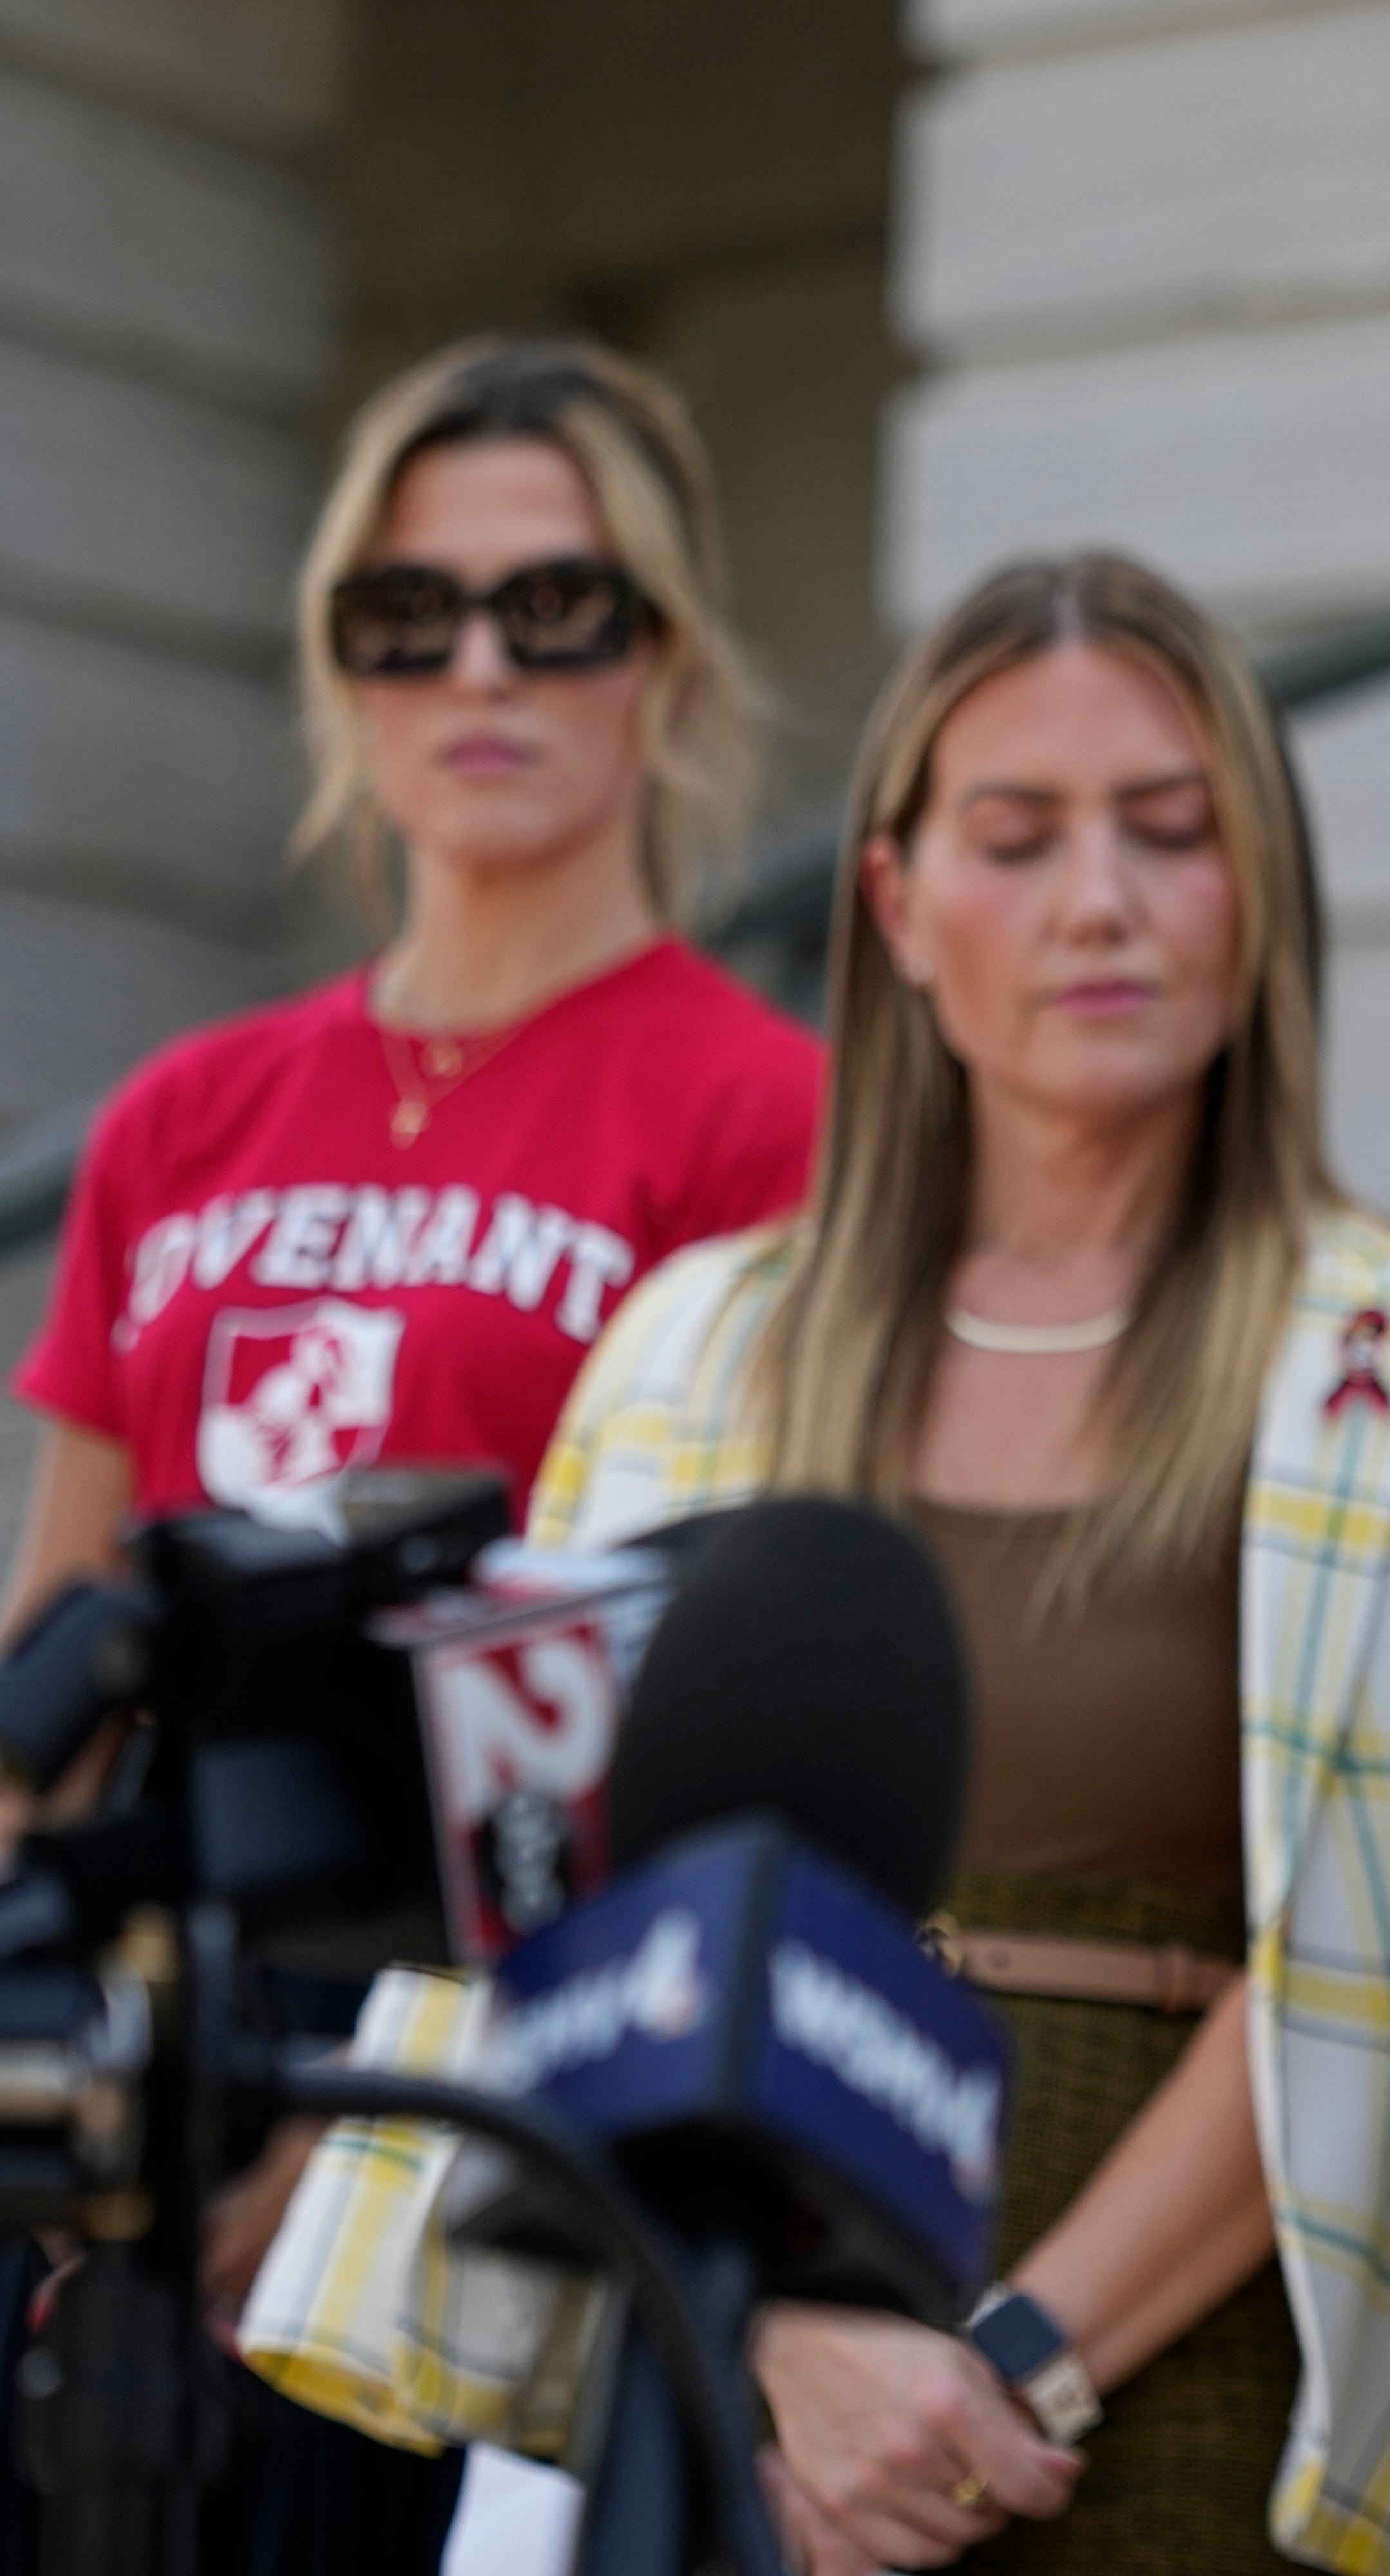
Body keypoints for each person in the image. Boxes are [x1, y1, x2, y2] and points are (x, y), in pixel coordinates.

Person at [249, 551, 1390, 2575]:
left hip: (1198, 2380)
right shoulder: (701, 1343)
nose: (1101, 901)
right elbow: (555, 1912)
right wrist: (786, 2347)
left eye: (1171, 834)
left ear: (1258, 898)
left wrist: (1013, 2359)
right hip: (735, 2347)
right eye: (1018, 839)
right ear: (899, 906)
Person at [1, 332, 819, 2575]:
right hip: (137, 2003)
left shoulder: (761, 1112)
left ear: (664, 659)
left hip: (485, 2028)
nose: (479, 664)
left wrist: (344, 2144)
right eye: (406, 612)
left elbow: (697, 1726)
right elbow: (59, 1642)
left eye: (556, 607)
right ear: (339, 666)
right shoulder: (187, 1112)